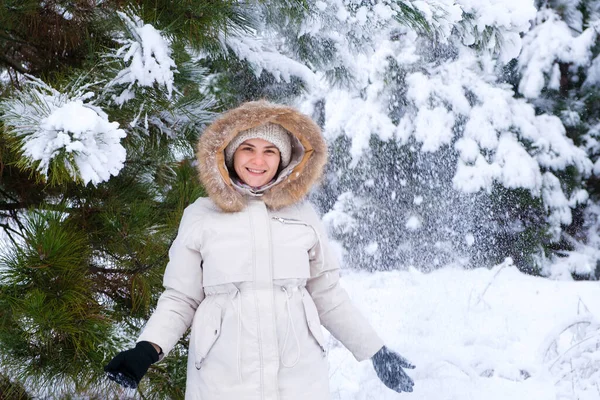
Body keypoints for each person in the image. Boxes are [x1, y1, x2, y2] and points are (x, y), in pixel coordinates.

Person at [104, 101, 415, 399]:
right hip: (222, 379)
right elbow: (181, 298)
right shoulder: (201, 216)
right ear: (229, 153)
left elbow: (328, 295)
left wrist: (375, 350)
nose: (258, 161)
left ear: (284, 158)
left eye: (270, 151)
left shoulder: (303, 217)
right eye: (247, 148)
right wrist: (147, 349)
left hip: (299, 380)